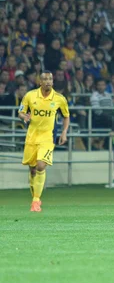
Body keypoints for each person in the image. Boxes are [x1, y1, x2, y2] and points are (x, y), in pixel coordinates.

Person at [18, 70, 70, 212]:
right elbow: (20, 111)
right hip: (31, 137)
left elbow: (66, 116)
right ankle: (35, 197)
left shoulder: (59, 98)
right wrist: (24, 117)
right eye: (45, 79)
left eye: (50, 79)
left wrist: (64, 132)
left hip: (47, 137)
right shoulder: (30, 95)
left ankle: (35, 201)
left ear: (53, 82)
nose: (48, 81)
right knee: (32, 169)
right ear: (40, 82)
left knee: (41, 166)